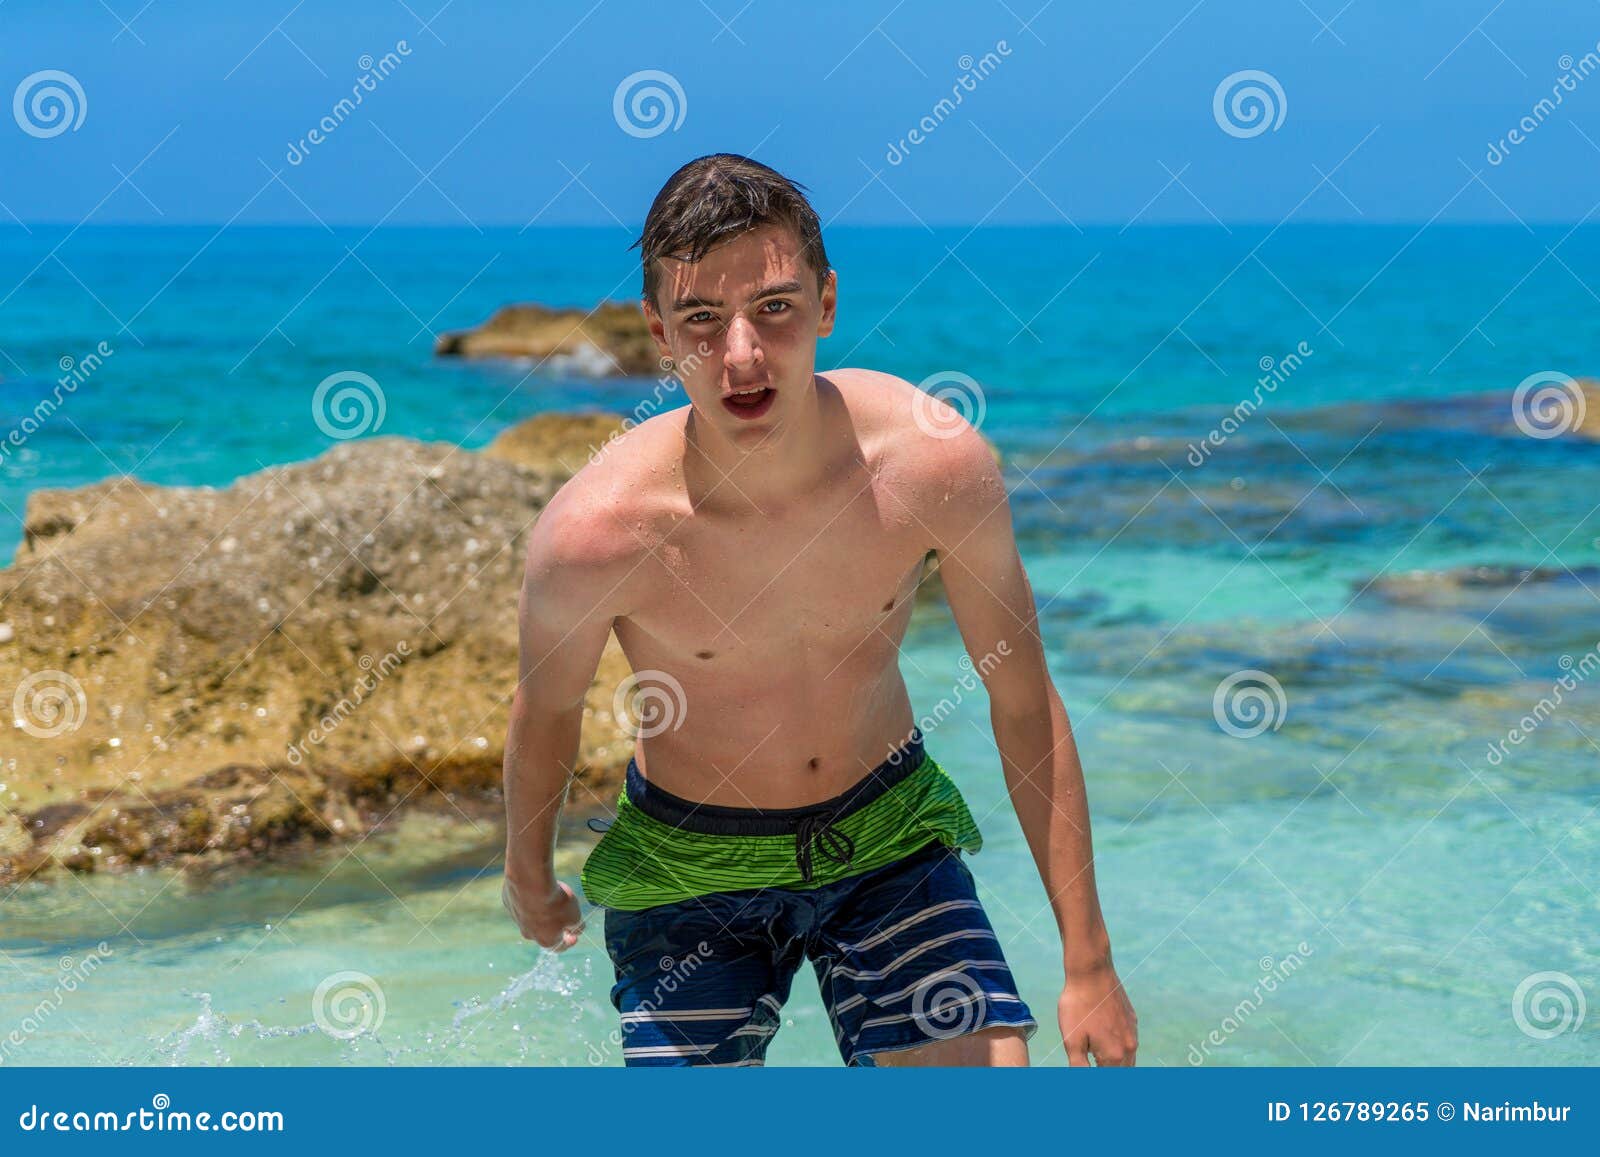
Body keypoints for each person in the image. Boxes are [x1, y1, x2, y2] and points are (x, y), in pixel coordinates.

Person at [500, 153, 1138, 1067]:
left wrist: (1089, 961)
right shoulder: (596, 535)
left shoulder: (932, 466)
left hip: (887, 837)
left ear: (827, 304)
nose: (743, 355)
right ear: (657, 333)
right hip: (689, 866)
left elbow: (1023, 701)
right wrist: (528, 877)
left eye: (774, 308)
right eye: (701, 321)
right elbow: (548, 708)